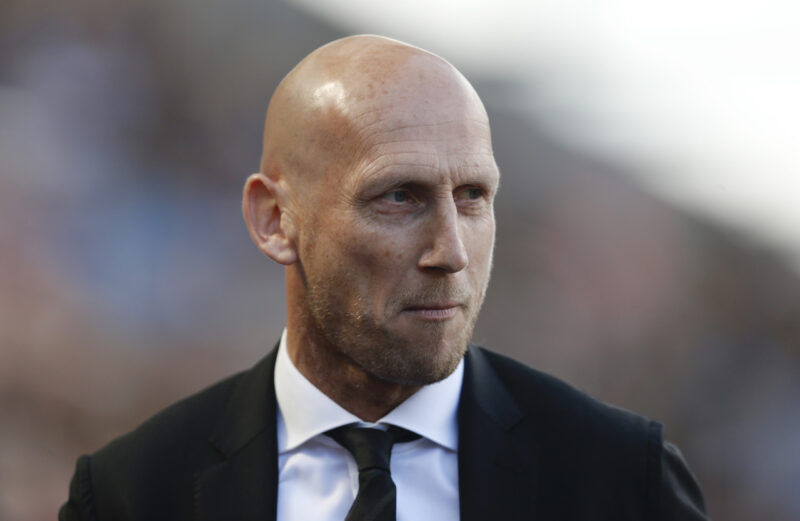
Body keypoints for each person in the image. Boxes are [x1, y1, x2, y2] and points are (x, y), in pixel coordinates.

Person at [60, 35, 708, 521]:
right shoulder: (132, 493)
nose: (451, 252)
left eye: (473, 196)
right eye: (399, 196)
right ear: (275, 219)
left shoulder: (624, 480)